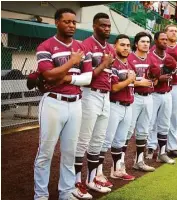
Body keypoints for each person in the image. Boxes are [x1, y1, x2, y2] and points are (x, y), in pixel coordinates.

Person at [34, 8, 93, 200]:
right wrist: (72, 62)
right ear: (56, 22)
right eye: (67, 21)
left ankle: (66, 192)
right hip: (53, 102)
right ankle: (41, 195)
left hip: (75, 103)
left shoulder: (81, 46)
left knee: (69, 152)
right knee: (45, 153)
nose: (71, 25)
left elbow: (88, 77)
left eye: (74, 22)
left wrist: (66, 77)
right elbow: (48, 76)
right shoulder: (46, 45)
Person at [73, 13, 114, 199]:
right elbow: (87, 77)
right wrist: (105, 63)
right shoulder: (86, 45)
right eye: (103, 25)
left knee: (97, 141)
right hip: (90, 95)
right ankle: (75, 183)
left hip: (106, 96)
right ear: (94, 25)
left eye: (108, 26)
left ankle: (91, 180)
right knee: (82, 141)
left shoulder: (110, 48)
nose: (106, 28)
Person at [101, 34, 136, 181]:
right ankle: (97, 173)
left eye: (128, 45)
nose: (126, 48)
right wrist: (129, 80)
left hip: (128, 105)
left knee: (120, 141)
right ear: (114, 46)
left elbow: (133, 83)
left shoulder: (130, 64)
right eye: (122, 45)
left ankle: (116, 170)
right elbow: (114, 87)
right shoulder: (113, 63)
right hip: (114, 105)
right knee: (105, 141)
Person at [127, 31, 158, 172]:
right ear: (136, 43)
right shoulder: (129, 58)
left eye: (147, 42)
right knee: (127, 130)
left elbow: (154, 79)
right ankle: (119, 164)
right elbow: (126, 79)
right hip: (135, 96)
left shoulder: (151, 59)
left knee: (144, 130)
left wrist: (157, 78)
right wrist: (140, 82)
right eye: (142, 41)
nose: (146, 44)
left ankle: (139, 161)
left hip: (149, 97)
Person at [146, 31, 176, 164]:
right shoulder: (149, 56)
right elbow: (148, 77)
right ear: (156, 41)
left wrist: (170, 74)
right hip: (154, 94)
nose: (165, 41)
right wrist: (159, 78)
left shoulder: (169, 57)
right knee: (150, 123)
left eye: (166, 40)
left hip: (167, 93)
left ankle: (162, 152)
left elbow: (173, 75)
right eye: (162, 39)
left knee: (165, 123)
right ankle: (149, 148)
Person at [163, 25, 177, 159]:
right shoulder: (160, 47)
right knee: (158, 117)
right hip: (162, 86)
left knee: (175, 116)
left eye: (176, 31)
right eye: (171, 30)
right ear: (165, 33)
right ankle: (153, 147)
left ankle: (172, 146)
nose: (174, 33)